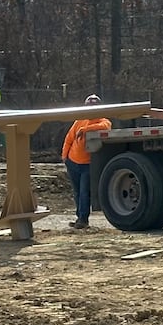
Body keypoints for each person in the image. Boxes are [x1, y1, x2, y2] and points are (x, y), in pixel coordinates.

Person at [61, 94, 113, 229]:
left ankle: (83, 219)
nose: (91, 110)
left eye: (94, 107)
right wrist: (64, 156)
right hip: (72, 162)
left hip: (87, 165)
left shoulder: (103, 121)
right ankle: (79, 217)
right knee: (77, 191)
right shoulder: (79, 121)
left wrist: (85, 130)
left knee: (84, 192)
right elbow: (69, 138)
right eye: (89, 107)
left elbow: (105, 127)